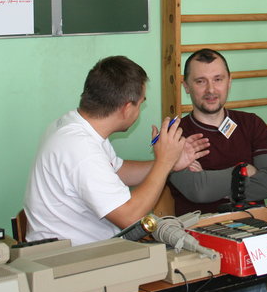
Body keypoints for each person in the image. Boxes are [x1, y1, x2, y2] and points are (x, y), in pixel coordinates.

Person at [24, 55, 209, 246]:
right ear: (127, 108)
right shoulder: (80, 148)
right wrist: (164, 162)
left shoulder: (76, 126)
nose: (140, 110)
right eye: (140, 103)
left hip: (86, 250)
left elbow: (119, 171)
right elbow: (130, 218)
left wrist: (170, 163)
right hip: (69, 257)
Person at [167, 48, 267, 292]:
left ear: (230, 81)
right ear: (186, 86)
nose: (211, 89)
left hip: (248, 236)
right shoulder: (174, 134)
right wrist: (244, 171)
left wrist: (209, 179)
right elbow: (198, 191)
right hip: (194, 239)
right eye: (200, 81)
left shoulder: (252, 124)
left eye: (218, 79)